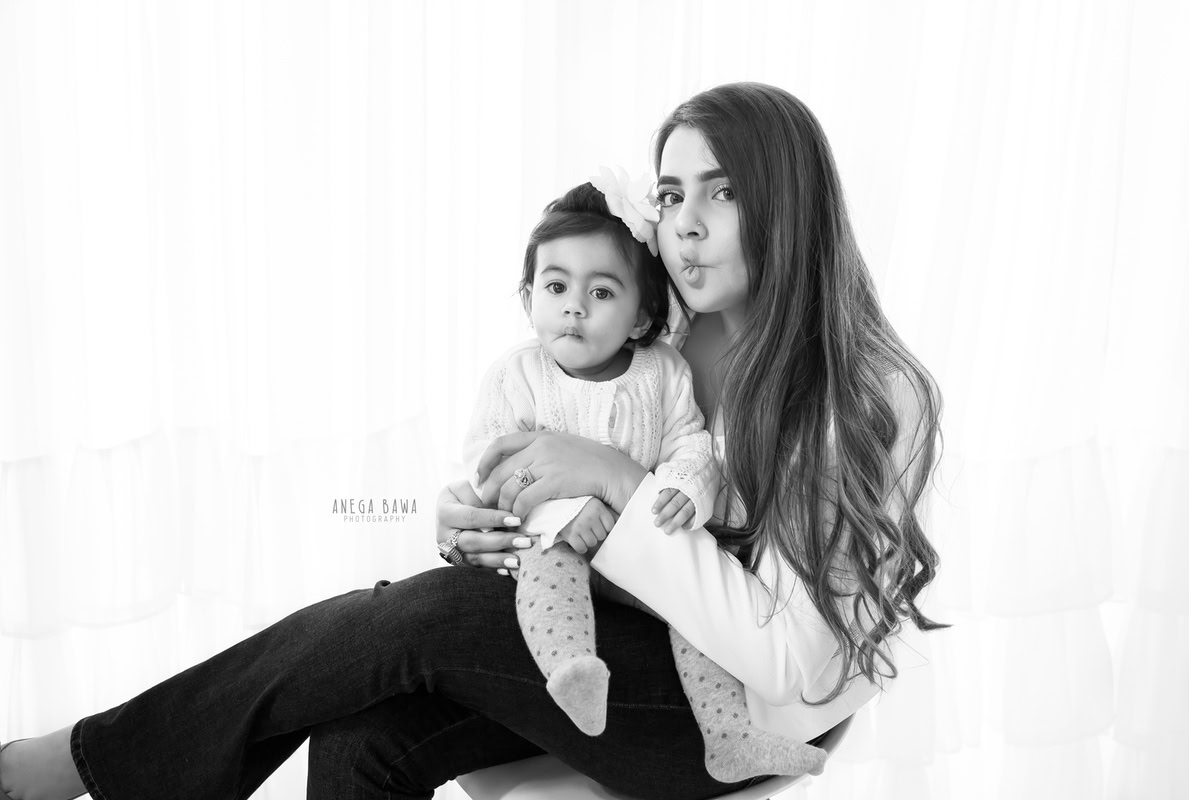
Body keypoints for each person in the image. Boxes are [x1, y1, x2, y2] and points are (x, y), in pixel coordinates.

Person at [0, 82, 943, 800]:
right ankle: (112, 759)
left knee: (428, 618)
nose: (686, 224)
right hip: (633, 640)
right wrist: (487, 510)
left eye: (723, 191)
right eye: (671, 193)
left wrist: (613, 482)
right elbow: (560, 457)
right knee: (363, 734)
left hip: (742, 712)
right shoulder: (666, 341)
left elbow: (787, 658)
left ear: (786, 201)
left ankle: (86, 760)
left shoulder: (863, 390)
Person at [459, 177, 826, 781]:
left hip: (643, 560)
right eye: (555, 288)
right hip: (561, 545)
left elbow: (691, 443)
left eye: (601, 292)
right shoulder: (518, 375)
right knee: (550, 571)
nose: (574, 305)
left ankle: (728, 737)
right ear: (528, 299)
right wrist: (558, 513)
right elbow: (489, 461)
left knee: (695, 620)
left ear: (641, 319)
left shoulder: (664, 371)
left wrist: (684, 487)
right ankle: (573, 669)